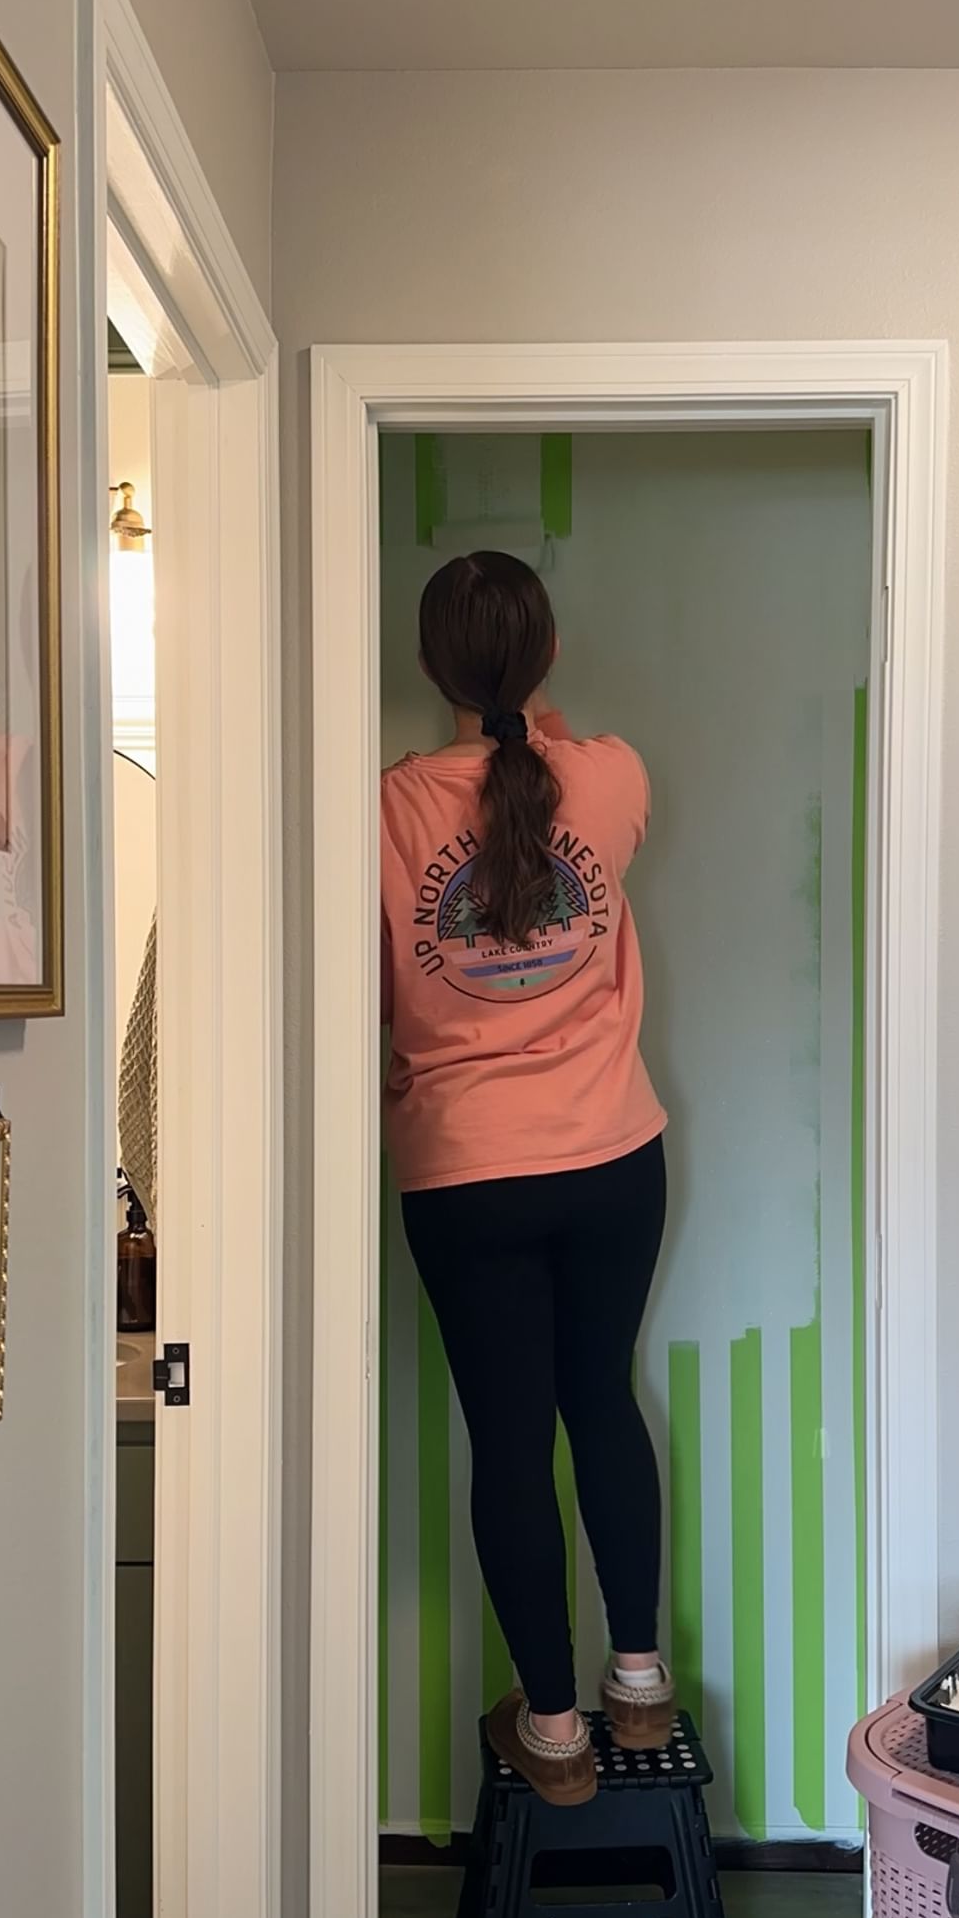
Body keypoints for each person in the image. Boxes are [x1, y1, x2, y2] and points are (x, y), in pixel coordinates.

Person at [381, 549, 671, 1806]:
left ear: (428, 666)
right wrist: (539, 728)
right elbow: (552, 763)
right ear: (545, 656)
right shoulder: (606, 778)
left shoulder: (381, 810)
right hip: (616, 1155)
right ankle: (641, 1683)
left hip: (465, 1175)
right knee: (600, 1399)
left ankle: (551, 1732)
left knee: (509, 1443)